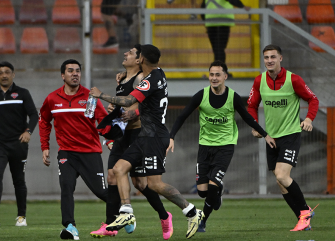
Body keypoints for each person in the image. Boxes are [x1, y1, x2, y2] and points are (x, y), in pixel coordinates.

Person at [90, 44, 204, 239]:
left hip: (154, 137)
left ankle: (193, 212)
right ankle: (126, 212)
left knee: (154, 185)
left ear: (141, 59)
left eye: (136, 55)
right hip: (145, 136)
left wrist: (100, 95)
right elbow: (142, 104)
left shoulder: (151, 79)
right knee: (118, 169)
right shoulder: (158, 74)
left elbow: (127, 101)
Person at [167, 60, 276, 233]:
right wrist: (171, 136)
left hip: (225, 146)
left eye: (218, 75)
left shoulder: (233, 97)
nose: (214, 78)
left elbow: (248, 117)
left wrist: (265, 135)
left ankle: (203, 221)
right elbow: (182, 116)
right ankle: (219, 190)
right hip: (204, 146)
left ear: (225, 76)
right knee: (203, 191)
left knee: (212, 186)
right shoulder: (201, 95)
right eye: (211, 74)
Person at [247, 44, 319, 231]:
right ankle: (303, 219)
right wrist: (256, 127)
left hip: (290, 134)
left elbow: (313, 99)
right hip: (271, 138)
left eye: (273, 57)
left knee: (282, 175)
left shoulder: (293, 79)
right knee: (280, 182)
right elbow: (251, 106)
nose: (269, 60)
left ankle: (305, 210)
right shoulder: (259, 81)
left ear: (281, 58)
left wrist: (309, 118)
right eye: (266, 57)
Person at [39, 59, 108, 240]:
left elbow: (103, 121)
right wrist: (44, 146)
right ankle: (70, 227)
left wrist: (110, 140)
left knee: (101, 192)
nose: (75, 73)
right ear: (63, 75)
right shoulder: (52, 99)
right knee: (66, 187)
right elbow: (44, 121)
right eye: (70, 71)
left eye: (77, 70)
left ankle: (124, 213)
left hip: (90, 152)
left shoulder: (90, 97)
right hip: (67, 152)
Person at [0, 61, 39, 227]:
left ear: (13, 74)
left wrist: (28, 132)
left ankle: (21, 217)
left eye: (7, 72)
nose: (4, 75)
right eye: (0, 73)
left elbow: (34, 115)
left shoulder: (22, 93)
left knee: (18, 180)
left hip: (18, 144)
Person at [204, 0, 250, 73]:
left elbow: (203, 6)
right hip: (223, 22)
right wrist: (242, 6)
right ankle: (220, 71)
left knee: (216, 49)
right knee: (220, 49)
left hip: (210, 23)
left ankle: (217, 71)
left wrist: (205, 20)